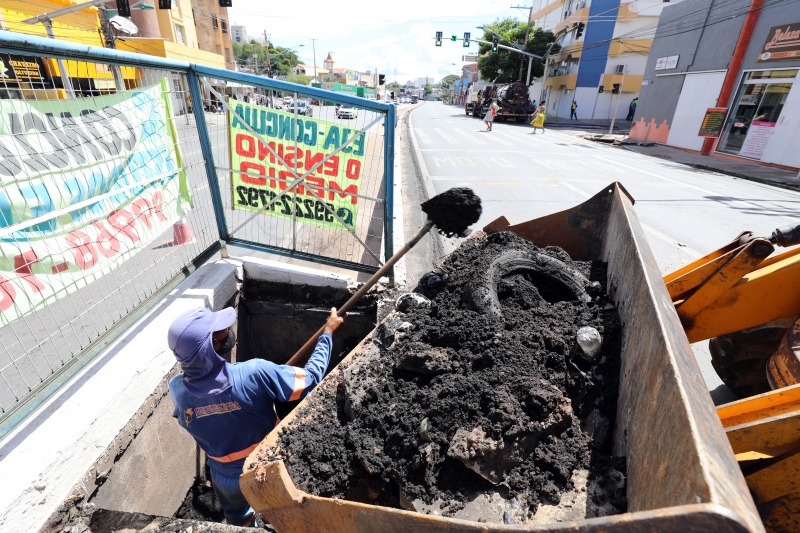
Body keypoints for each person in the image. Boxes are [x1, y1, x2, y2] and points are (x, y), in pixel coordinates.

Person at [167, 306, 344, 527]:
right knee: (283, 516)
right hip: (267, 467)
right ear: (212, 346)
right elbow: (311, 379)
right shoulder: (254, 373)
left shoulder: (176, 389)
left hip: (224, 476)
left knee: (241, 522)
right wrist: (327, 333)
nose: (227, 330)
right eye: (219, 331)